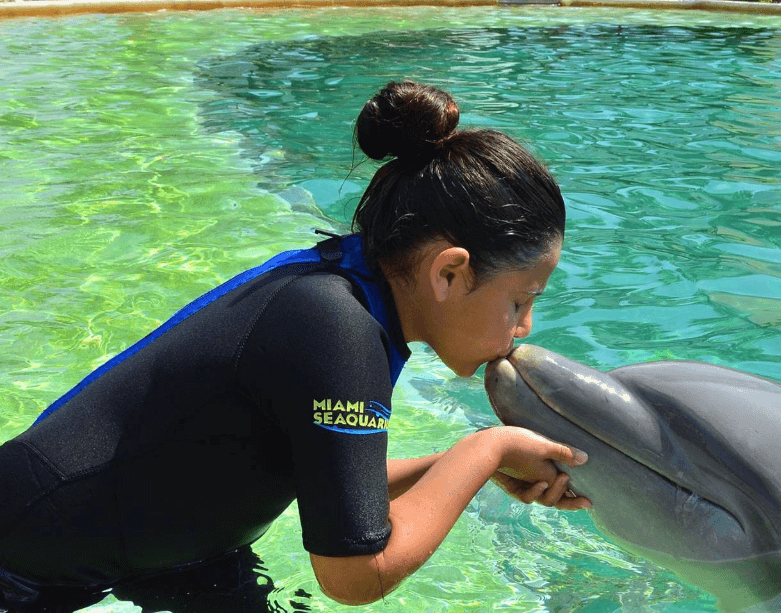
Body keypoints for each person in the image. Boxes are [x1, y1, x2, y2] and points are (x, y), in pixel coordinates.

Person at [0, 80, 590, 611]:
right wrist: (485, 449)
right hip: (24, 566)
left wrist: (462, 469)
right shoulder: (338, 329)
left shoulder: (349, 292)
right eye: (520, 300)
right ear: (449, 273)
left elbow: (331, 477)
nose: (526, 327)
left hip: (170, 548)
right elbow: (356, 573)